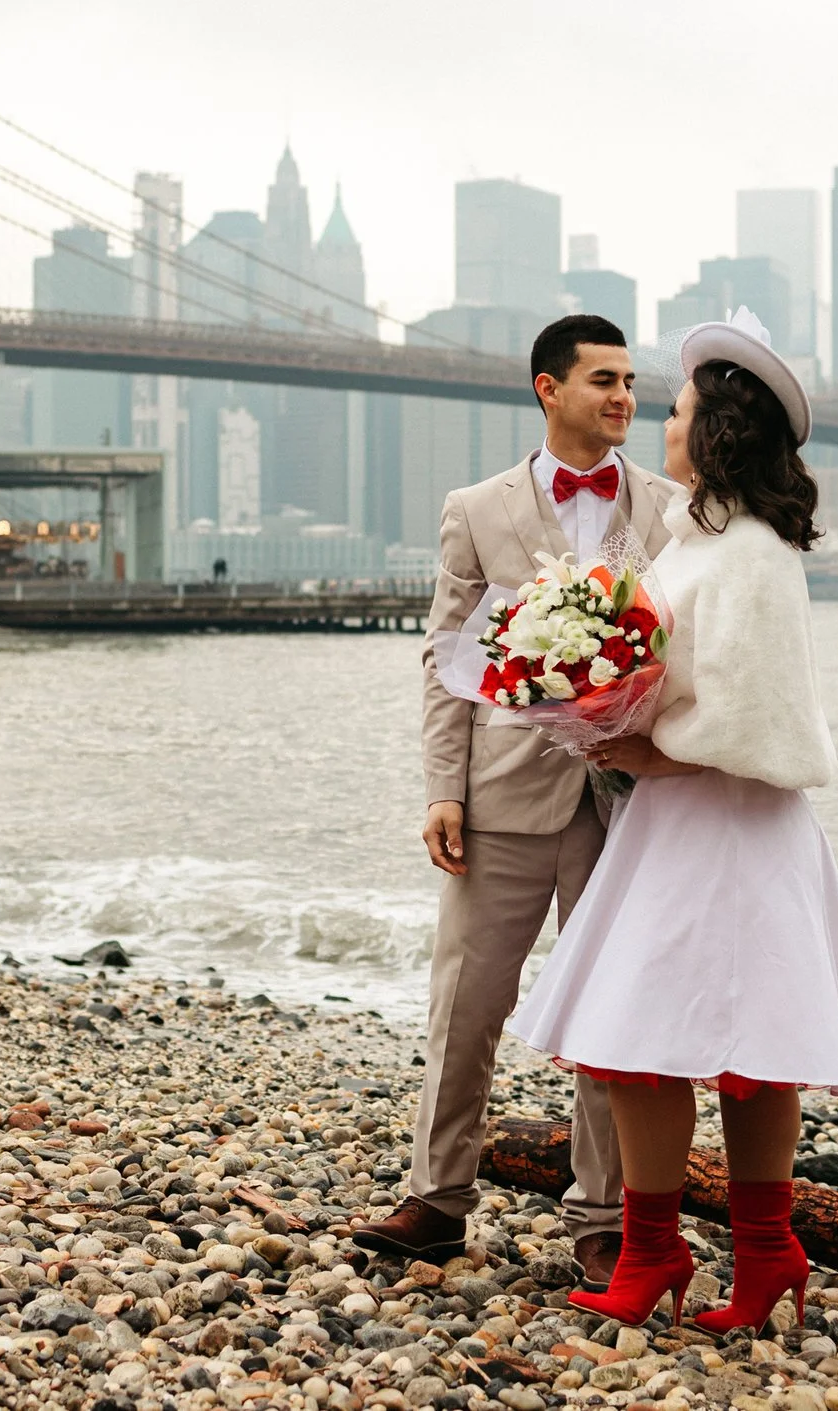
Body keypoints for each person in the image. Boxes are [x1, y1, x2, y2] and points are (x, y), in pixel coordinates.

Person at [508, 310, 838, 1332]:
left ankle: (746, 1252)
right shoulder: (701, 544)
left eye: (675, 410)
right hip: (682, 824)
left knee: (730, 1050)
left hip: (731, 828)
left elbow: (758, 717)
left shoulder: (750, 554)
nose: (662, 424)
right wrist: (598, 708)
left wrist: (643, 747)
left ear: (715, 432)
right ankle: (673, 1249)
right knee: (645, 1038)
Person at [354, 313, 683, 1281]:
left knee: (610, 1013)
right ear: (549, 388)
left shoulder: (671, 508)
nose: (624, 397)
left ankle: (602, 1216)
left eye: (630, 381)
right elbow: (445, 656)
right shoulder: (476, 508)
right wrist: (441, 788)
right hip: (501, 791)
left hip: (627, 802)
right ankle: (436, 1198)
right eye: (602, 380)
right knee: (466, 1004)